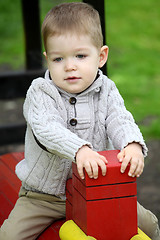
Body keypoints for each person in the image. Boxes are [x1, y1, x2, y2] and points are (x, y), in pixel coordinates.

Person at [0, 2, 159, 240]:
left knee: (147, 223)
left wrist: (132, 143)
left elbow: (119, 117)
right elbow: (47, 129)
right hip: (44, 196)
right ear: (47, 59)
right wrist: (79, 150)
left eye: (80, 56)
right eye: (58, 59)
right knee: (10, 235)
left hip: (97, 190)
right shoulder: (41, 92)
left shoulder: (106, 89)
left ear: (101, 56)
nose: (69, 66)